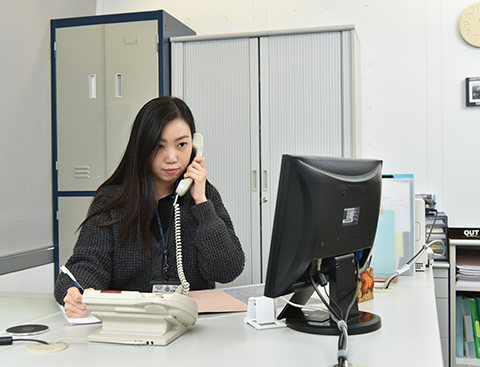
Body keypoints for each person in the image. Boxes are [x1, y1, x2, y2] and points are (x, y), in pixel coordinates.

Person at [54, 96, 245, 317]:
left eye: (181, 145)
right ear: (142, 148)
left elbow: (228, 269)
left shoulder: (205, 196)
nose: (172, 158)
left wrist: (201, 203)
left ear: (195, 146)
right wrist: (75, 292)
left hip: (193, 328)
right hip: (132, 327)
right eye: (159, 146)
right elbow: (87, 265)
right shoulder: (112, 200)